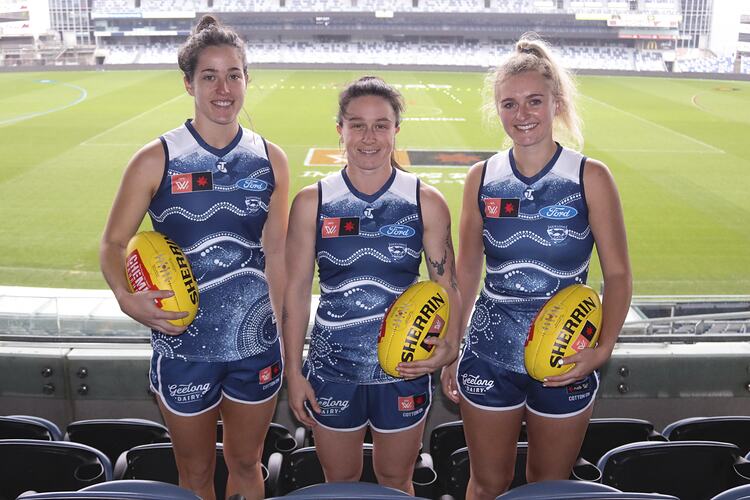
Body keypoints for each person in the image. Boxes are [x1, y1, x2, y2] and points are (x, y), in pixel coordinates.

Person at [99, 15, 289, 500]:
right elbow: (113, 244)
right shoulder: (156, 157)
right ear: (189, 83)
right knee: (196, 473)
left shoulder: (271, 159)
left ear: (247, 79)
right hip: (183, 346)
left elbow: (278, 253)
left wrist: (286, 335)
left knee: (247, 464)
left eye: (234, 75)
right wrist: (126, 297)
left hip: (255, 346)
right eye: (210, 76)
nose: (223, 88)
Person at [442, 33, 632, 499]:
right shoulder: (482, 178)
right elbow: (466, 272)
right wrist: (451, 342)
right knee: (487, 483)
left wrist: (602, 348)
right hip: (488, 353)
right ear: (497, 109)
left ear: (555, 103)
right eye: (509, 104)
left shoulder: (591, 176)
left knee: (548, 488)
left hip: (565, 356)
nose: (521, 115)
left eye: (533, 102)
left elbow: (620, 275)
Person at [283, 76, 461, 494]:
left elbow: (447, 283)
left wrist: (450, 348)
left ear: (396, 130)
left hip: (405, 368)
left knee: (396, 481)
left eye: (381, 125)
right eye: (357, 124)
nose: (369, 137)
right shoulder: (313, 202)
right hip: (332, 368)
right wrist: (294, 370)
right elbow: (295, 294)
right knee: (340, 483)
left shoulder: (425, 200)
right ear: (339, 130)